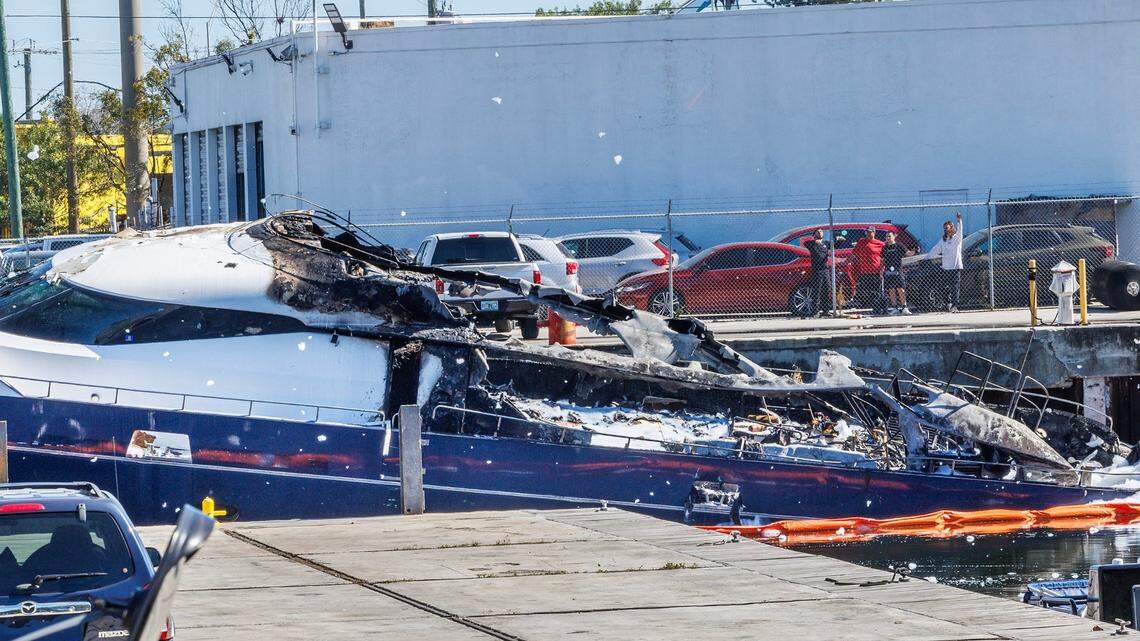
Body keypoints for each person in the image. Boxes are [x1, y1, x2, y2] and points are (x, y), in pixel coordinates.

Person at [927, 212, 964, 312]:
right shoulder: (943, 240)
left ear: (951, 228)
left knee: (955, 287)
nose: (946, 230)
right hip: (946, 267)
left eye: (947, 228)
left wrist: (959, 221)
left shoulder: (957, 238)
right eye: (944, 228)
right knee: (944, 287)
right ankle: (948, 303)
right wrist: (928, 257)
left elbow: (960, 231)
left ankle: (955, 306)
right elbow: (936, 249)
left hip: (955, 267)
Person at [850, 228, 885, 309]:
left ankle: (878, 308)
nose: (868, 234)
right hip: (864, 272)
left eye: (870, 232)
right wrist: (846, 261)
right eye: (867, 232)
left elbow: (884, 258)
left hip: (876, 271)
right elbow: (853, 254)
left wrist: (882, 270)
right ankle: (866, 305)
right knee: (864, 290)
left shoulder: (880, 244)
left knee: (878, 291)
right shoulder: (861, 242)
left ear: (874, 233)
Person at [881, 230, 913, 315]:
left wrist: (913, 251)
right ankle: (895, 308)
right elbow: (883, 260)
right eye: (887, 237)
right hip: (888, 271)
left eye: (889, 236)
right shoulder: (884, 248)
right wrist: (881, 270)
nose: (888, 238)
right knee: (891, 289)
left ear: (894, 236)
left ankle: (904, 308)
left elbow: (908, 253)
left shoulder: (899, 245)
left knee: (900, 289)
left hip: (898, 271)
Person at [804, 229, 832, 316]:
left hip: (825, 270)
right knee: (817, 291)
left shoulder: (826, 243)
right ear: (814, 234)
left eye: (821, 231)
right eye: (818, 232)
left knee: (827, 289)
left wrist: (841, 240)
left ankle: (826, 311)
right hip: (817, 271)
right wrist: (816, 241)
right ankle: (815, 311)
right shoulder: (812, 244)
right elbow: (805, 243)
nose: (820, 233)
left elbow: (835, 245)